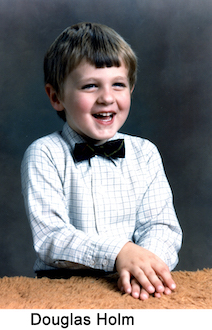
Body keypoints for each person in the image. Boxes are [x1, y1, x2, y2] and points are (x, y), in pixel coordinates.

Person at [21, 22, 182, 300]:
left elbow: (161, 226)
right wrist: (120, 252)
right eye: (90, 86)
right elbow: (51, 237)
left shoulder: (145, 153)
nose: (107, 98)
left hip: (130, 285)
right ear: (56, 96)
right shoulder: (44, 153)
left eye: (118, 85)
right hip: (60, 289)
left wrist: (145, 265)